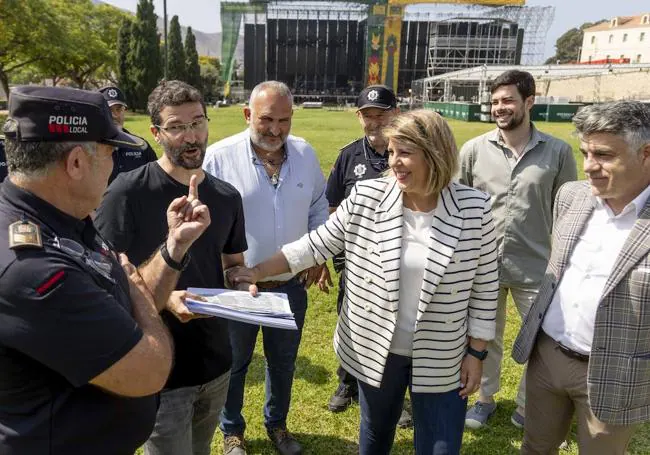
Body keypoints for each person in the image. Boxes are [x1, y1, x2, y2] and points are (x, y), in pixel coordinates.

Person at [230, 109, 499, 455]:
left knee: (440, 446)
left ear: (435, 152)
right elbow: (312, 246)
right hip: (376, 349)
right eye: (391, 152)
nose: (394, 162)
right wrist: (256, 271)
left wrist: (476, 353)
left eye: (405, 152)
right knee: (374, 437)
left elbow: (485, 288)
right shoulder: (367, 197)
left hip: (443, 354)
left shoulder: (474, 208)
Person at [0, 85, 210, 454]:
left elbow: (122, 296)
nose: (114, 166)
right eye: (110, 153)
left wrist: (173, 247)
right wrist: (138, 293)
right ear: (77, 163)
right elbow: (149, 371)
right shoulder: (35, 270)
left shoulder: (59, 217)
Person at [94, 80, 248, 455]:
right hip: (159, 371)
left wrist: (243, 284)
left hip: (215, 364)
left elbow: (233, 265)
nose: (191, 136)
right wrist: (161, 296)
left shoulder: (227, 196)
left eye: (198, 122)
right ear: (156, 133)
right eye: (177, 127)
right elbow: (102, 281)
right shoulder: (126, 193)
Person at [512, 101, 650, 454]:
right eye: (585, 152)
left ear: (646, 154)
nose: (589, 167)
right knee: (535, 447)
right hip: (548, 356)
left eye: (603, 155)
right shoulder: (571, 196)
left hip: (618, 373)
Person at [203, 80, 329, 455]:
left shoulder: (305, 153)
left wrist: (316, 252)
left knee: (283, 363)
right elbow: (204, 221)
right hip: (237, 286)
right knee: (236, 362)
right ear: (247, 115)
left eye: (284, 120)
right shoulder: (219, 157)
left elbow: (318, 205)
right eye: (267, 120)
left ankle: (277, 425)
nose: (276, 129)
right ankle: (232, 431)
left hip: (290, 284)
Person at [458, 69, 577, 429]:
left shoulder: (557, 152)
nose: (499, 107)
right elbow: (458, 206)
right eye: (494, 101)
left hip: (537, 266)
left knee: (539, 343)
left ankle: (528, 406)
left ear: (529, 102)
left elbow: (570, 210)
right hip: (483, 266)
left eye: (507, 100)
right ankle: (485, 399)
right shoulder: (473, 150)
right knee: (484, 336)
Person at [325, 84, 411, 426]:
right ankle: (347, 383)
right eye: (367, 115)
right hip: (358, 264)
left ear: (397, 113)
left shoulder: (411, 153)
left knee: (399, 329)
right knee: (352, 319)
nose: (374, 121)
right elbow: (333, 209)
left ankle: (398, 394)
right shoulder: (348, 156)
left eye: (382, 113)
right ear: (359, 117)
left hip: (402, 263)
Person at [98, 85, 157, 184]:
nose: (114, 115)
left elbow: (156, 179)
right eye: (109, 110)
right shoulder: (89, 148)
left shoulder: (140, 146)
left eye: (119, 109)